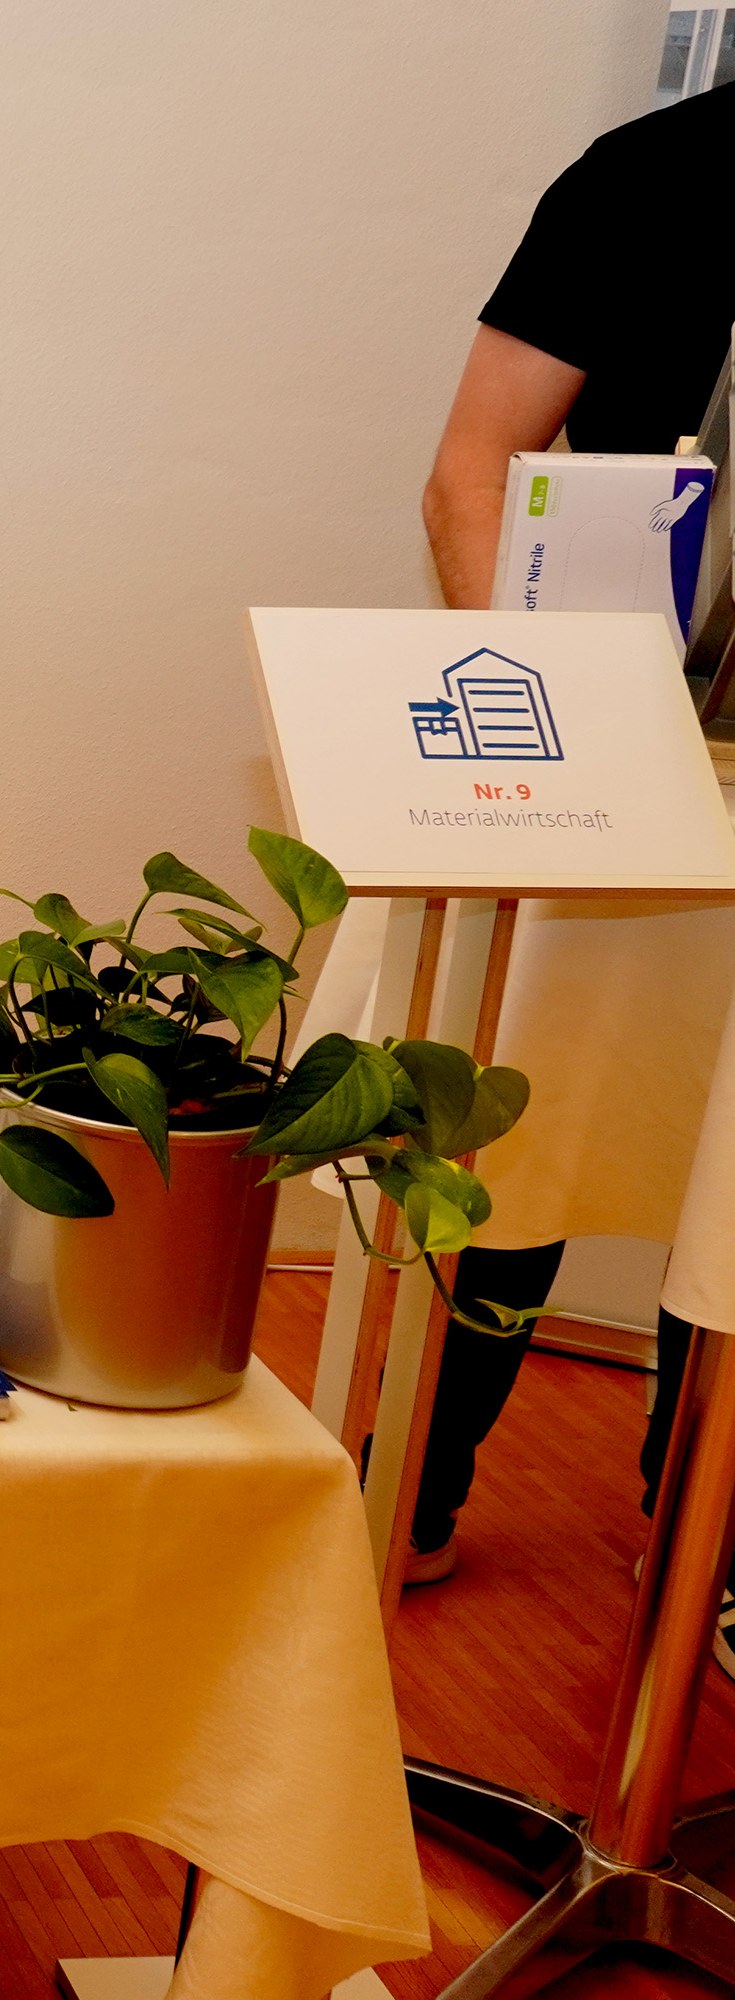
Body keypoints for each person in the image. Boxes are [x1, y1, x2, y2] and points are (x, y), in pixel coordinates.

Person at [405, 84, 735, 1617]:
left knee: (727, 1169)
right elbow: (472, 468)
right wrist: (544, 718)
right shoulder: (655, 177)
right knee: (529, 1140)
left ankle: (699, 1538)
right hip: (621, 742)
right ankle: (418, 1487)